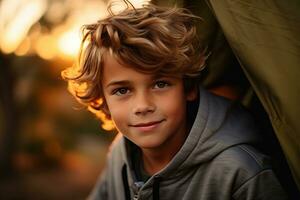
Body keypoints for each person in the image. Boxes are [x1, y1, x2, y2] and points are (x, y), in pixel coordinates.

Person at [62, 2, 287, 200]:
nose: (142, 106)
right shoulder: (121, 152)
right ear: (103, 101)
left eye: (160, 84)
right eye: (122, 90)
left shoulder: (241, 172)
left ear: (188, 88)